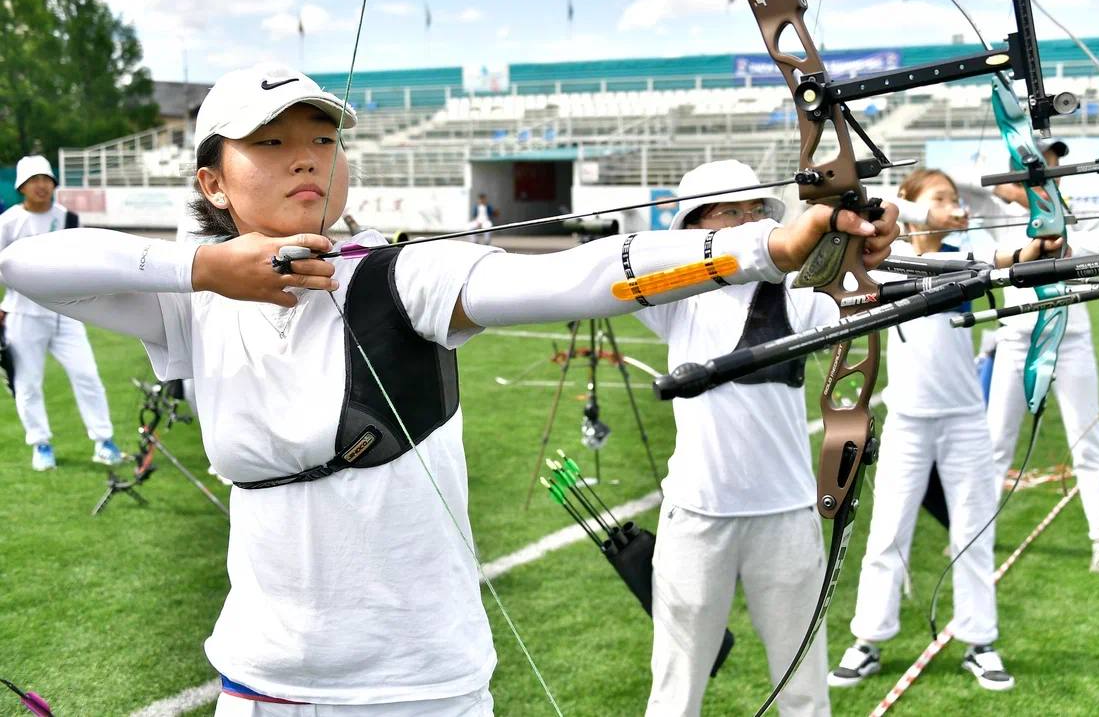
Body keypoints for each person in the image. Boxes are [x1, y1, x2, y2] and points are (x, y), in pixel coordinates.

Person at [0, 63, 899, 714]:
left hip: (417, 683)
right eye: (270, 144)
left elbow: (574, 276)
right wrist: (208, 267)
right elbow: (27, 263)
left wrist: (762, 249)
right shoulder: (190, 304)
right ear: (211, 180)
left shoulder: (405, 276)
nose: (305, 157)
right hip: (259, 678)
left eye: (321, 138)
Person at [828, 168, 1047, 693]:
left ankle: (980, 641)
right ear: (911, 203)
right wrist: (902, 218)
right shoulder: (879, 264)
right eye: (940, 198)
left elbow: (1012, 260)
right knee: (887, 533)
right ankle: (868, 641)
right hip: (906, 420)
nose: (954, 206)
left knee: (973, 531)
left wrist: (1041, 242)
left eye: (954, 198)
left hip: (965, 420)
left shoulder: (962, 262)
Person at [635, 160, 841, 717]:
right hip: (699, 516)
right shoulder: (673, 296)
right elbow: (643, 264)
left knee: (803, 690)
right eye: (732, 212)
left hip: (787, 514)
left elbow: (859, 293)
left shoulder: (797, 296)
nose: (750, 222)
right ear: (696, 226)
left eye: (757, 212)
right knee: (676, 691)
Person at [983, 139, 1099, 573]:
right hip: (1017, 337)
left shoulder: (1060, 210)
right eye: (1046, 162)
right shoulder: (998, 206)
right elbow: (973, 185)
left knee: (1087, 443)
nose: (1054, 169)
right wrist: (1016, 193)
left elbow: (1079, 247)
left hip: (1070, 337)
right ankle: (976, 537)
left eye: (1056, 164)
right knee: (994, 445)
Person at [0, 155, 120, 471]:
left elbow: (76, 262)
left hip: (67, 314)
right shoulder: (9, 221)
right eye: (34, 180)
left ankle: (104, 441)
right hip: (23, 314)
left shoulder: (68, 217)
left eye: (46, 179)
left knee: (88, 376)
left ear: (53, 184)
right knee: (27, 383)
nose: (41, 185)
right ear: (22, 187)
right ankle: (41, 445)